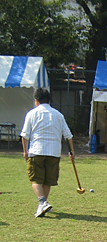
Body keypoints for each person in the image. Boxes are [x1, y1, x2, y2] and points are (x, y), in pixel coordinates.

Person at [20, 88, 75, 218]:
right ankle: (43, 205)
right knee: (47, 180)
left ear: (36, 101)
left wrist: (25, 151)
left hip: (37, 150)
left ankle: (42, 202)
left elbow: (24, 135)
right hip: (54, 152)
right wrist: (71, 151)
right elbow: (68, 135)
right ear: (49, 100)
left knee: (35, 179)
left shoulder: (31, 114)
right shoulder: (58, 114)